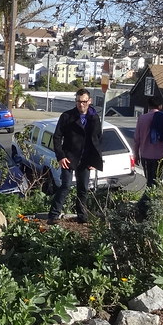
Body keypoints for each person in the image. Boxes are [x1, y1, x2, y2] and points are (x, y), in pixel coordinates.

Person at [49, 88, 104, 224]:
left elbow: (97, 139)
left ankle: (82, 216)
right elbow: (57, 137)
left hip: (85, 158)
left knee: (83, 188)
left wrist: (94, 160)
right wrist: (61, 156)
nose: (81, 104)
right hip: (69, 157)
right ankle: (53, 215)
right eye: (79, 101)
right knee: (65, 186)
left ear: (89, 101)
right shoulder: (67, 116)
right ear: (75, 101)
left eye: (84, 101)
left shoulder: (94, 117)